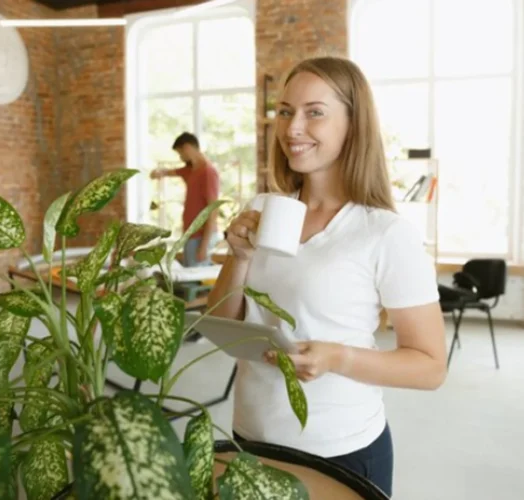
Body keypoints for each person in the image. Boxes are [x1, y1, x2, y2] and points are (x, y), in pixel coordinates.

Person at [206, 56, 447, 497]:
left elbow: (431, 367)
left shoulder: (384, 232)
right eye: (285, 111)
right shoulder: (263, 209)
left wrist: (337, 358)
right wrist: (238, 257)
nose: (292, 127)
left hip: (340, 449)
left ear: (353, 126)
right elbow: (223, 328)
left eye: (314, 112)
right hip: (251, 439)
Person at [150, 132, 220, 267]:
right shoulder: (191, 171)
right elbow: (169, 172)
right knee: (190, 277)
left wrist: (204, 246)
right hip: (191, 235)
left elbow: (213, 210)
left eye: (180, 153)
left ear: (187, 147)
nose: (181, 157)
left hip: (201, 237)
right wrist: (158, 173)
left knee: (196, 281)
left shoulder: (208, 172)